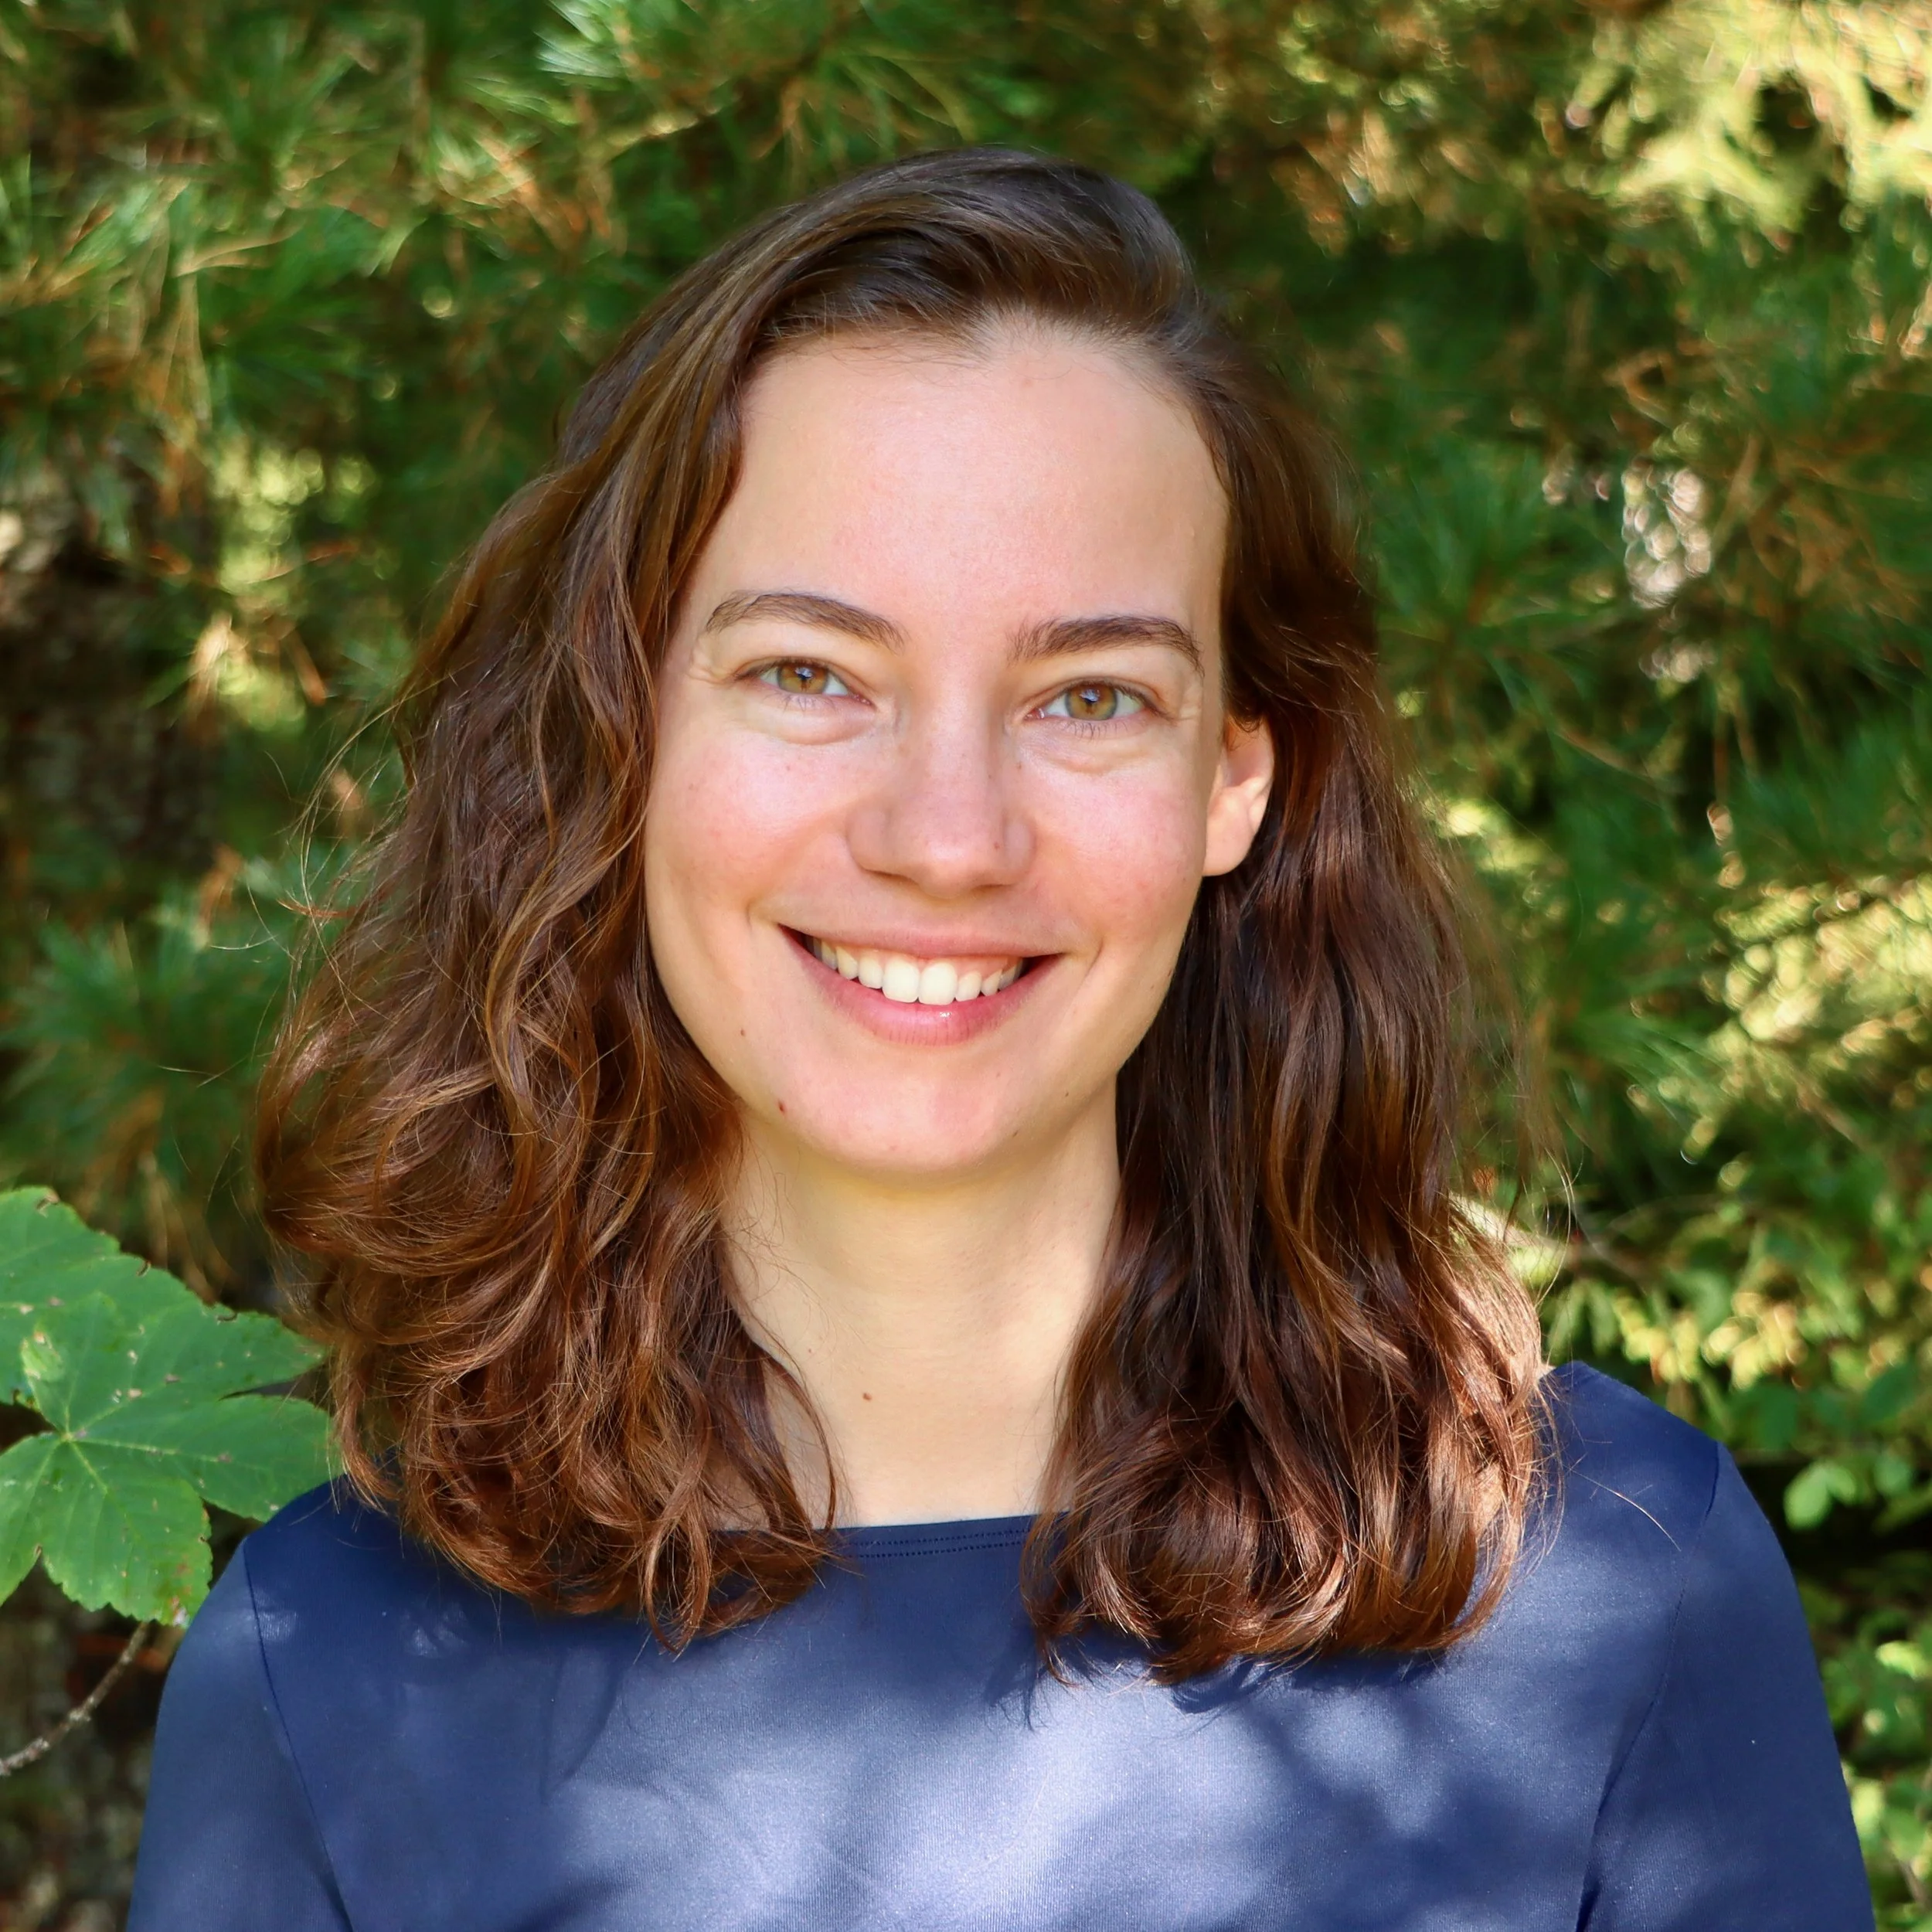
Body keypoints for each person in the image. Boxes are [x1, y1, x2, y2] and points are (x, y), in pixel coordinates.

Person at [128, 148, 1871, 1932]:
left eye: (1088, 695)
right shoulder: (326, 1677)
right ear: (625, 730)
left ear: (1232, 781)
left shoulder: (1605, 1593)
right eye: (811, 672)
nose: (944, 833)